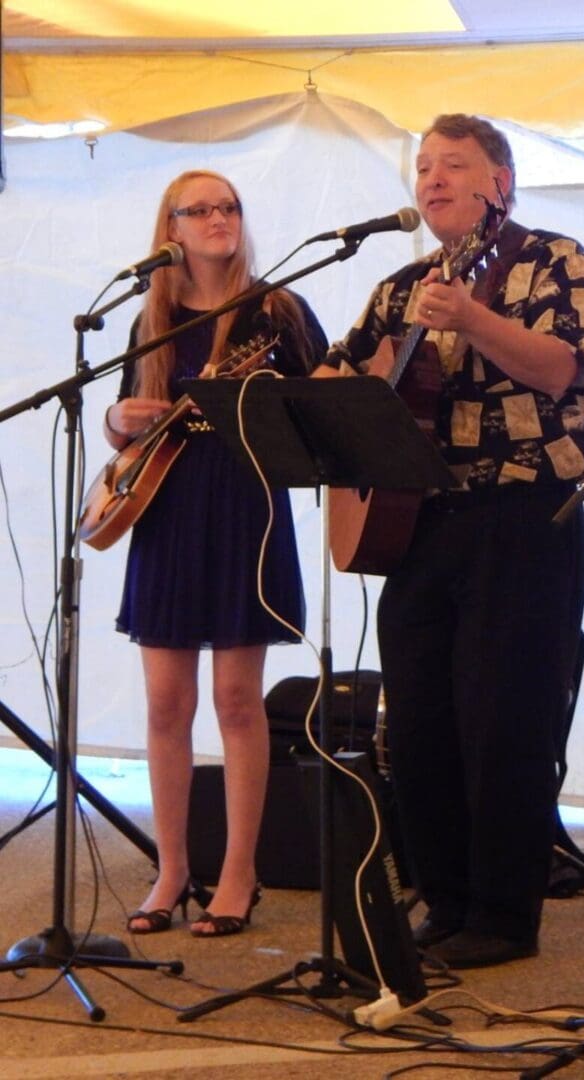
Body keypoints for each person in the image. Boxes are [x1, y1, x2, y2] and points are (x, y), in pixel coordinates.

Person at [322, 114, 584, 969]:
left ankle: (504, 917)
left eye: (454, 165)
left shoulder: (557, 258)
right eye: (423, 166)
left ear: (500, 182)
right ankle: (443, 900)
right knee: (420, 720)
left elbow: (565, 369)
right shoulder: (401, 285)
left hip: (523, 517)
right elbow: (338, 374)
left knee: (504, 720)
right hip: (417, 526)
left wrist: (475, 320)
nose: (433, 179)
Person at [109, 170, 325, 938]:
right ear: (170, 226)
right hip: (167, 508)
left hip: (246, 508)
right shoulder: (153, 320)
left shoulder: (279, 309)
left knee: (238, 702)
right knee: (168, 703)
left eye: (227, 206)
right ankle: (170, 870)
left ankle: (239, 872)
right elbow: (130, 427)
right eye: (199, 209)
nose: (217, 219)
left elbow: (329, 401)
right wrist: (115, 416)